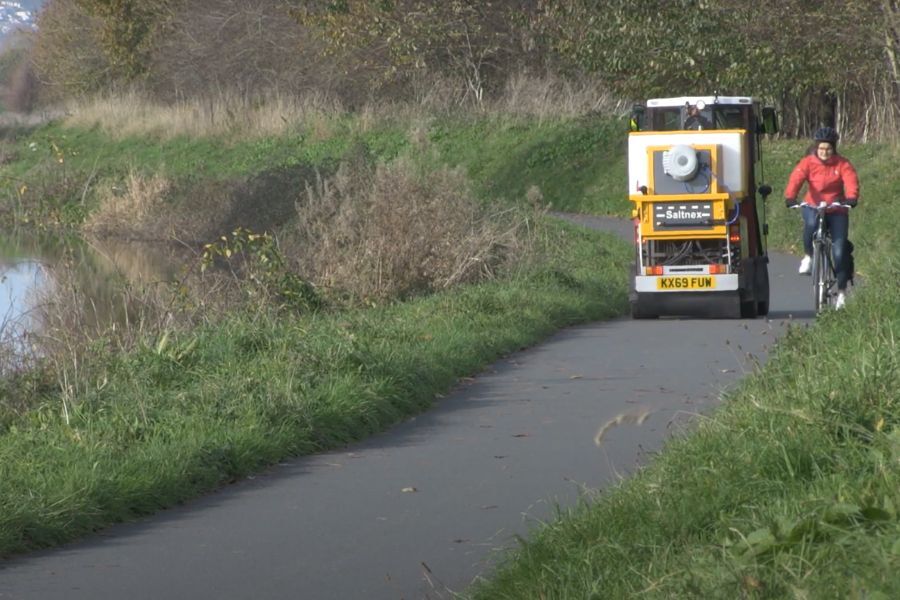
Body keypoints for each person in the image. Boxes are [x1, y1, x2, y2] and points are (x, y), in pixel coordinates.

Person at [784, 126, 860, 309]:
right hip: (813, 206)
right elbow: (796, 178)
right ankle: (809, 256)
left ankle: (841, 293)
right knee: (810, 224)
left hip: (836, 209)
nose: (824, 152)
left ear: (834, 149)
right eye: (821, 149)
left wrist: (851, 197)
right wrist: (790, 197)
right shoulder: (807, 163)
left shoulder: (842, 164)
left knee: (840, 250)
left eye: (828, 149)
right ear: (816, 148)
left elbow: (850, 180)